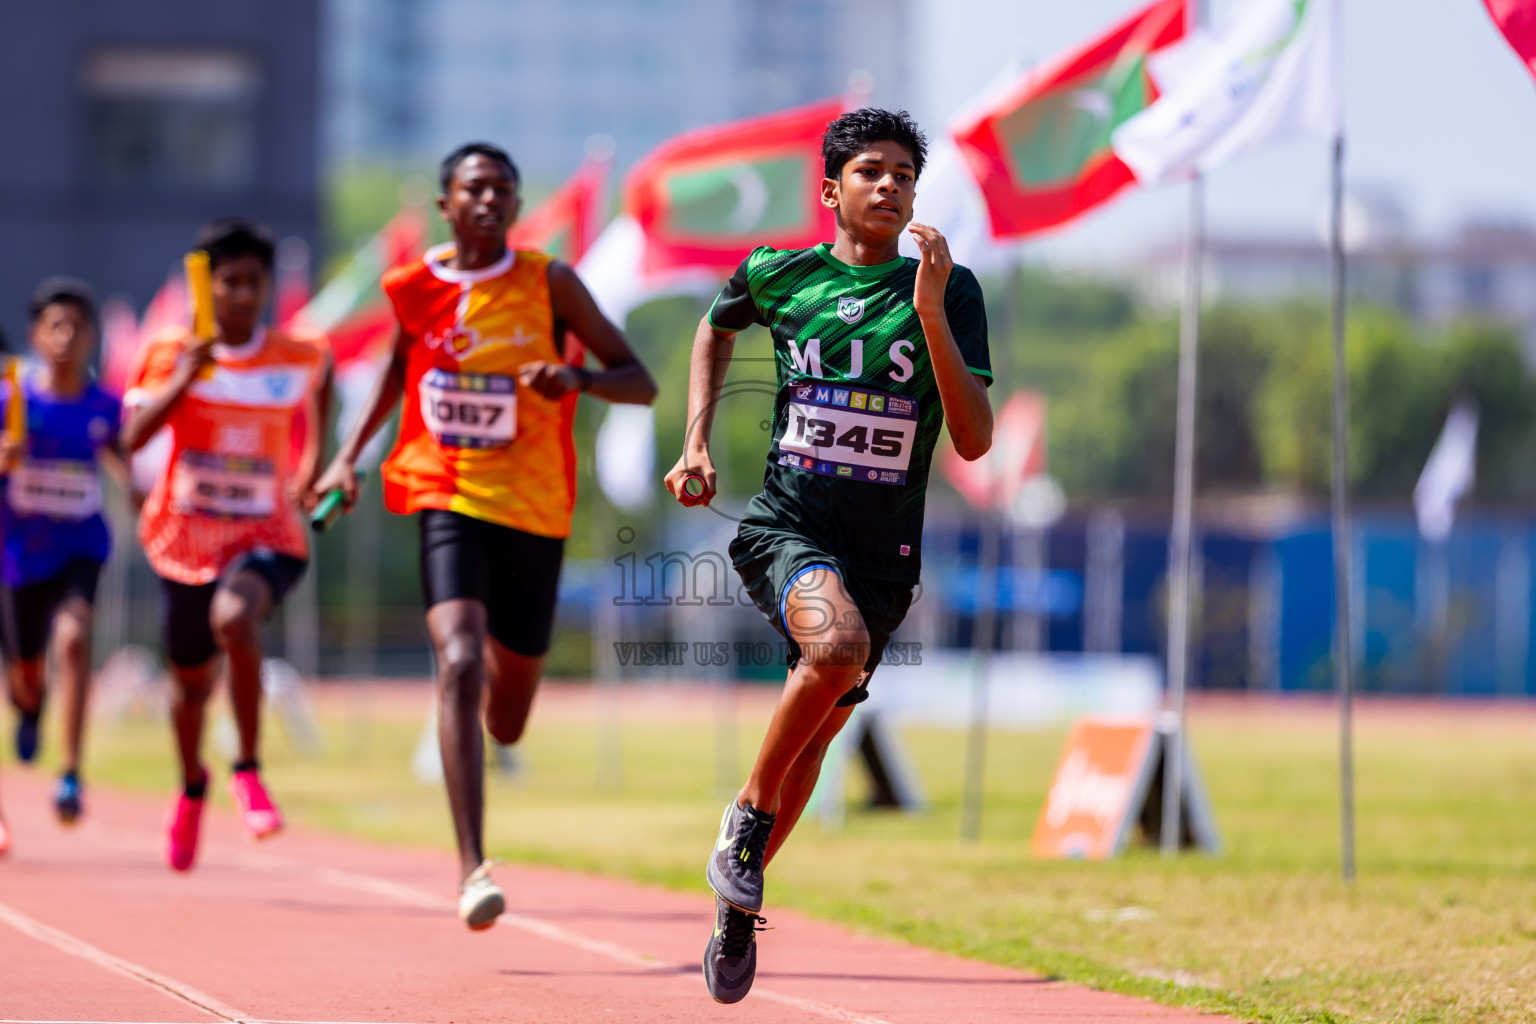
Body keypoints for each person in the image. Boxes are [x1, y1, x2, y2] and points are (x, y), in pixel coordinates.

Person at [664, 108, 994, 1003]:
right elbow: (712, 327)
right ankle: (744, 822)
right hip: (786, 526)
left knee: (818, 734)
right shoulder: (779, 273)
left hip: (885, 550)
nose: (889, 186)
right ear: (831, 191)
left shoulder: (951, 292)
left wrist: (928, 313)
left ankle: (736, 907)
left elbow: (972, 442)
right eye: (871, 172)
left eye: (903, 177)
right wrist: (697, 442)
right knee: (835, 649)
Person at [312, 142, 656, 931]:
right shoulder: (415, 289)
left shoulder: (550, 284)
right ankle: (473, 867)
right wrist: (343, 459)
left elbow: (638, 380)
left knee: (507, 716)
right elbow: (396, 375)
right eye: (476, 189)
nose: (491, 201)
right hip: (448, 491)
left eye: (504, 190)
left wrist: (577, 379)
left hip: (533, 509)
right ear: (447, 205)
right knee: (459, 660)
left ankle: (496, 725)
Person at [122, 220, 332, 872]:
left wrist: (312, 462)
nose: (243, 296)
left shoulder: (296, 356)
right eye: (230, 283)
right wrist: (186, 376)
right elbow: (132, 439)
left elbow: (322, 386)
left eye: (254, 283)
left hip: (267, 533)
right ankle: (191, 787)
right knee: (187, 687)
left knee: (235, 619)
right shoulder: (171, 351)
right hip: (183, 537)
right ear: (206, 288)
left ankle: (246, 768)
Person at [0, 278, 130, 825]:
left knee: (75, 637)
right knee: (26, 675)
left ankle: (71, 771)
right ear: (36, 335)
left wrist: (148, 499)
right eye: (56, 326)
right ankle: (30, 706)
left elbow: (129, 465)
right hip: (17, 554)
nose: (67, 337)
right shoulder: (12, 399)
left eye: (78, 327)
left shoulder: (104, 406)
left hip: (80, 546)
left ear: (92, 338)